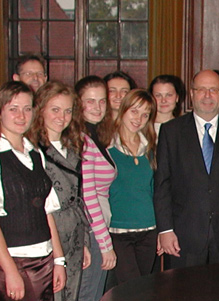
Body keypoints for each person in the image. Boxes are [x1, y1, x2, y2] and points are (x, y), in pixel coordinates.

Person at [154, 70, 219, 269]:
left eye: (213, 90)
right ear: (192, 94)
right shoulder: (171, 132)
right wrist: (165, 230)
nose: (207, 95)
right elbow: (162, 185)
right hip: (182, 237)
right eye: (201, 90)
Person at [0, 81, 66, 300]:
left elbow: (46, 211)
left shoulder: (35, 154)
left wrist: (58, 259)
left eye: (27, 108)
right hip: (15, 260)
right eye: (13, 109)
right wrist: (11, 271)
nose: (21, 115)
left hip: (44, 256)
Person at [28, 81, 92, 300]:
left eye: (67, 111)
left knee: (71, 293)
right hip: (48, 231)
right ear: (41, 109)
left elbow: (79, 196)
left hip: (74, 229)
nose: (61, 117)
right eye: (55, 109)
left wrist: (83, 242)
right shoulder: (32, 149)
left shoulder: (72, 145)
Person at [105, 89, 158, 284]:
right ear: (123, 110)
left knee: (143, 288)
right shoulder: (107, 146)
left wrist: (160, 231)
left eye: (145, 114)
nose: (139, 118)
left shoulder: (151, 148)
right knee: (130, 289)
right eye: (135, 111)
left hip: (148, 230)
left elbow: (154, 191)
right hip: (119, 232)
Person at [74, 76, 117, 301]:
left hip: (96, 230)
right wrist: (105, 244)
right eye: (90, 101)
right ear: (77, 104)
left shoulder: (94, 136)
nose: (97, 107)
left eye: (102, 101)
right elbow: (88, 197)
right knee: (88, 296)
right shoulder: (83, 141)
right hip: (92, 232)